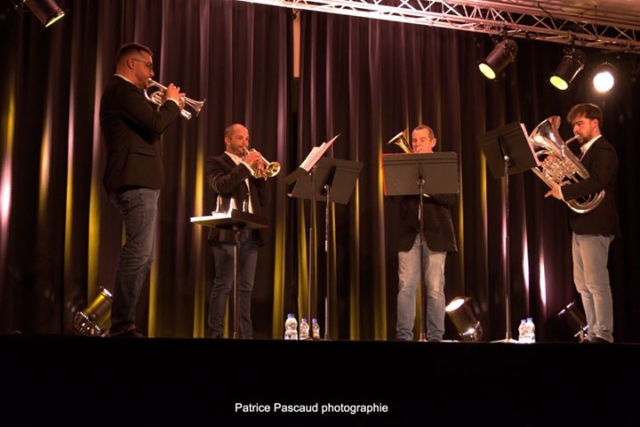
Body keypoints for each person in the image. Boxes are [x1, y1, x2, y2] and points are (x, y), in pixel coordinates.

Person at [100, 42, 185, 338]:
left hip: (141, 180)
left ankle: (124, 324)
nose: (152, 73)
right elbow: (155, 123)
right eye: (149, 66)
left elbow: (149, 125)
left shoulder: (129, 94)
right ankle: (122, 327)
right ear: (131, 64)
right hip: (134, 180)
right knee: (137, 253)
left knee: (144, 256)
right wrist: (172, 103)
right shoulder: (122, 90)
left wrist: (166, 105)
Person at [545, 103, 619, 344]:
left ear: (594, 123)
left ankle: (603, 335)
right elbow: (576, 180)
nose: (575, 129)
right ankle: (593, 332)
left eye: (580, 123)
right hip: (580, 223)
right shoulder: (583, 153)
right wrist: (557, 178)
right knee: (583, 284)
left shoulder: (604, 150)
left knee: (597, 282)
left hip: (596, 222)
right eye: (573, 125)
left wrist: (564, 191)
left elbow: (597, 182)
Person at [394, 125, 458, 342]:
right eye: (414, 140)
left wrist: (425, 185)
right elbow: (394, 197)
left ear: (433, 142)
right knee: (406, 288)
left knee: (435, 289)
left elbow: (451, 199)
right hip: (409, 233)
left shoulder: (443, 165)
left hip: (436, 233)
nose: (417, 144)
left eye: (422, 140)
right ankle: (403, 336)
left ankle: (435, 338)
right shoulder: (404, 166)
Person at [205, 124, 268, 339]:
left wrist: (260, 175)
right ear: (228, 140)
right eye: (240, 139)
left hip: (251, 231)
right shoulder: (215, 162)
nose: (245, 143)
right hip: (226, 231)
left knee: (246, 289)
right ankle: (215, 335)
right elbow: (221, 186)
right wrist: (246, 166)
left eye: (247, 139)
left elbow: (262, 201)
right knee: (223, 285)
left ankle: (245, 336)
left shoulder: (249, 166)